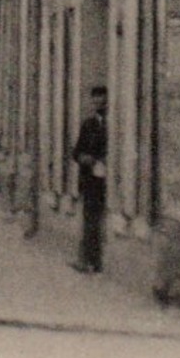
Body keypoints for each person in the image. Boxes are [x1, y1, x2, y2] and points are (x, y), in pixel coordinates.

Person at [71, 85, 109, 274]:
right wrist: (86, 159)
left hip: (108, 178)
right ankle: (89, 261)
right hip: (91, 178)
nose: (99, 105)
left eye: (102, 101)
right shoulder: (88, 124)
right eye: (96, 101)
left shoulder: (114, 125)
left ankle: (95, 261)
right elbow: (76, 152)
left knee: (98, 219)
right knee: (90, 220)